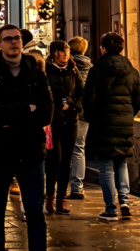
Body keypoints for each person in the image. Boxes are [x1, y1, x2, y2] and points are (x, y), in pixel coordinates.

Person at [0, 24, 53, 250]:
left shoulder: (37, 74)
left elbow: (46, 112)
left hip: (31, 152)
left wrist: (10, 115)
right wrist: (26, 108)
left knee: (34, 211)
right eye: (8, 39)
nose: (13, 42)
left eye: (17, 38)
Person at [83, 32, 140, 221]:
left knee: (106, 166)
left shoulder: (97, 70)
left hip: (103, 122)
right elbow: (137, 99)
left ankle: (110, 208)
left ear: (104, 48)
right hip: (124, 122)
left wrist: (93, 118)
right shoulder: (132, 70)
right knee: (121, 161)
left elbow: (89, 100)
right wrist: (128, 115)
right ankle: (124, 200)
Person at [43, 39, 83, 215]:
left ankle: (61, 200)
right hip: (53, 122)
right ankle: (49, 197)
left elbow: (82, 91)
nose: (65, 53)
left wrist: (75, 105)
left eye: (67, 50)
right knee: (54, 161)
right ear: (54, 53)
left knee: (67, 161)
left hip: (71, 120)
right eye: (61, 51)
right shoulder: (45, 70)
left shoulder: (72, 69)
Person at [68, 36, 92, 199]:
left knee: (62, 149)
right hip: (84, 114)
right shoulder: (92, 68)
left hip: (68, 112)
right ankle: (77, 187)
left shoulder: (68, 66)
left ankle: (59, 186)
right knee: (79, 149)